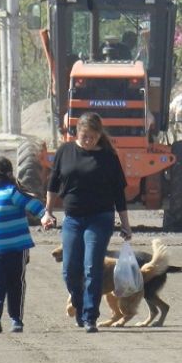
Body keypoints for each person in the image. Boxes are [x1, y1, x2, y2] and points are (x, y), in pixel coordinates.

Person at [41, 112, 132, 333]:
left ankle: (91, 316)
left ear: (100, 135)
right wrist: (48, 212)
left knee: (92, 266)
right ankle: (80, 308)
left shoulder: (109, 156)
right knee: (70, 270)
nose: (88, 141)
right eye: (84, 136)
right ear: (76, 133)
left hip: (100, 219)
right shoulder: (65, 151)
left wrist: (125, 224)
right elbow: (53, 184)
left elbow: (119, 193)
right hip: (72, 219)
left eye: (93, 137)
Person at [0, 156, 47, 334]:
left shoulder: (12, 192)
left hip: (17, 249)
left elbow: (33, 205)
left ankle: (16, 319)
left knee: (15, 284)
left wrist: (45, 216)